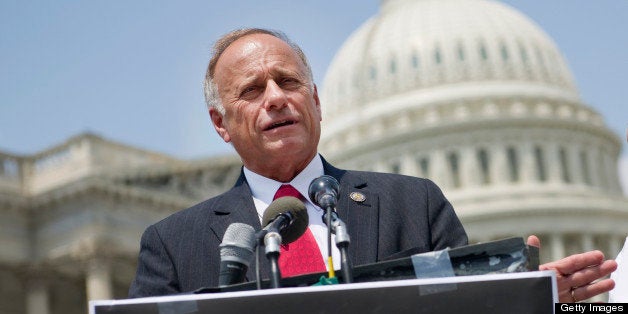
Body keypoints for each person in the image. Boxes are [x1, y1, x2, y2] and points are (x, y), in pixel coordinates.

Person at [129, 28, 617, 302]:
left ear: (316, 100)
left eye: (289, 82)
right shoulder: (173, 246)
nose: (276, 98)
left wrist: (524, 303)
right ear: (221, 123)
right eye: (253, 90)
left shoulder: (414, 204)